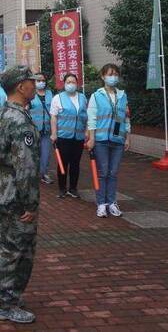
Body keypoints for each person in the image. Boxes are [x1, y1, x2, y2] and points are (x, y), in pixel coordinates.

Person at [0, 65, 40, 324]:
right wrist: (29, 203)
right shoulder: (19, 120)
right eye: (31, 81)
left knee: (0, 244)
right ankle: (5, 303)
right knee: (17, 250)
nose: (35, 84)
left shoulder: (0, 115)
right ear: (21, 86)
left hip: (0, 189)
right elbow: (26, 167)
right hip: (16, 195)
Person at [86, 63, 131, 218]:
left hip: (117, 140)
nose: (113, 77)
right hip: (101, 140)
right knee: (103, 172)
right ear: (103, 76)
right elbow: (91, 118)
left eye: (116, 74)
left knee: (113, 173)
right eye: (110, 74)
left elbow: (124, 118)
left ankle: (112, 202)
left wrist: (126, 137)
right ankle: (101, 204)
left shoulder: (122, 95)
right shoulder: (96, 95)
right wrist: (91, 138)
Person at [50, 73, 87, 199]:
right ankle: (62, 188)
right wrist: (54, 133)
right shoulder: (58, 98)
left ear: (77, 84)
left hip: (78, 137)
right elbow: (54, 117)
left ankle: (73, 188)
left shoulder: (82, 98)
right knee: (63, 163)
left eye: (73, 82)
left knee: (75, 164)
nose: (71, 84)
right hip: (63, 137)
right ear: (64, 84)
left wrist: (87, 131)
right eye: (68, 82)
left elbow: (85, 117)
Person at [30, 72, 54, 185]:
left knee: (46, 153)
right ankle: (32, 174)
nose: (41, 82)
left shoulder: (50, 94)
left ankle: (44, 173)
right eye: (38, 80)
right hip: (33, 128)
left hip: (47, 129)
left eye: (43, 80)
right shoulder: (30, 94)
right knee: (33, 152)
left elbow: (54, 111)